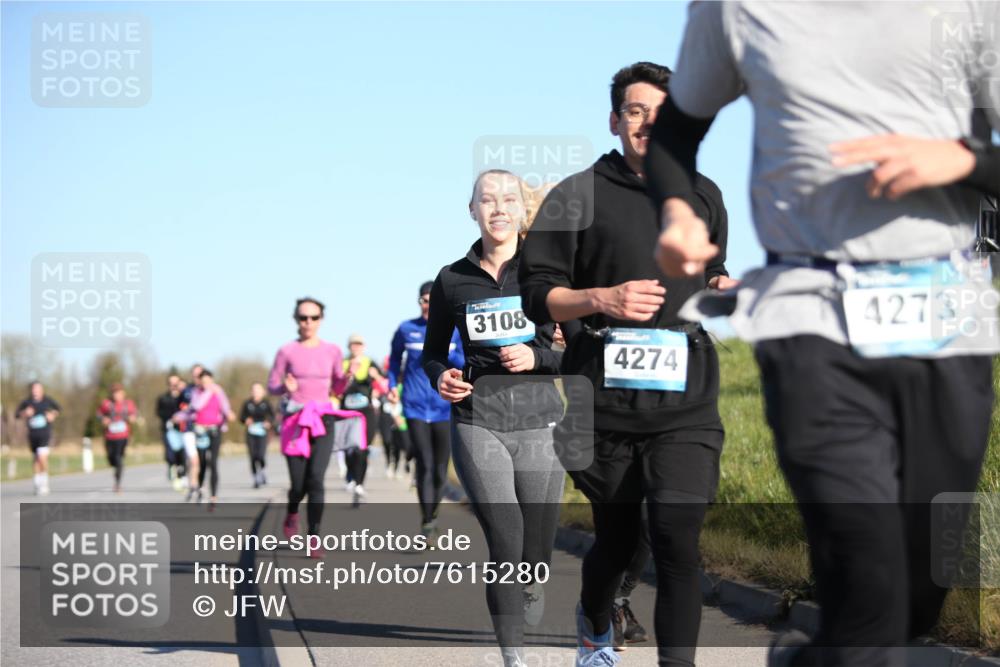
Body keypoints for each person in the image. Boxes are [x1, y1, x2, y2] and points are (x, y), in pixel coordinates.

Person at [643, 4, 1000, 666]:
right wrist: (678, 212)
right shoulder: (738, 10)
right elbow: (674, 132)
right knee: (868, 576)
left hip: (947, 315)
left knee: (920, 589)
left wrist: (962, 158)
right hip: (808, 311)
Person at [518, 62, 734, 667]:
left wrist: (725, 287)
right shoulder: (576, 195)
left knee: (677, 540)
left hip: (686, 398)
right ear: (615, 120)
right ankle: (594, 622)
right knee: (618, 540)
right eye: (635, 112)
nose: (647, 124)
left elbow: (709, 272)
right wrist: (602, 299)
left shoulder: (703, 194)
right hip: (606, 402)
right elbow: (537, 294)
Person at [423, 169, 566, 667]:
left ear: (522, 210)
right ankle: (513, 657)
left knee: (537, 545)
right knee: (506, 538)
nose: (499, 208)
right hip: (476, 419)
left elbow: (579, 353)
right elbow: (432, 355)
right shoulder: (451, 279)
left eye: (508, 199)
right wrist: (441, 378)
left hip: (541, 421)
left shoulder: (548, 272)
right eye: (487, 199)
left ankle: (534, 580)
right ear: (472, 210)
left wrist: (537, 357)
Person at [268, 297, 352, 556]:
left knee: (316, 480)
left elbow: (337, 387)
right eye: (303, 317)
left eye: (313, 317)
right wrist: (285, 387)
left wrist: (346, 378)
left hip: (323, 419)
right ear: (296, 319)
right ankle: (292, 512)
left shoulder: (332, 351)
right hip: (295, 422)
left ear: (321, 320)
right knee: (298, 485)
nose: (308, 322)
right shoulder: (286, 351)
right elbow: (272, 385)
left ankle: (314, 537)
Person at [388, 281, 465, 533]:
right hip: (414, 406)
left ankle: (433, 514)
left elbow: (464, 361)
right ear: (419, 302)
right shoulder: (406, 329)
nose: (428, 306)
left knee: (441, 469)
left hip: (443, 405)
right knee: (425, 463)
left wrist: (447, 355)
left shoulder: (455, 331)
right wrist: (391, 385)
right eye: (424, 301)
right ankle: (427, 520)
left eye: (433, 302)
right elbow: (394, 361)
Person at [339, 333, 384, 505]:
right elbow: (335, 388)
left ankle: (359, 484)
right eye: (353, 344)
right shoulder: (342, 363)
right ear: (349, 347)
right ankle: (351, 474)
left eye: (359, 344)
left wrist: (376, 378)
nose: (356, 347)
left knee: (363, 448)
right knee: (349, 448)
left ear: (364, 347)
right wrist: (348, 375)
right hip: (347, 411)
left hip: (366, 412)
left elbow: (384, 385)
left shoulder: (370, 363)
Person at [189, 369, 235, 510]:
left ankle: (213, 497)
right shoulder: (196, 393)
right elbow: (196, 406)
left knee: (213, 463)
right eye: (203, 381)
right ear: (200, 381)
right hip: (201, 431)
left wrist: (229, 414)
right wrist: (208, 392)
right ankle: (201, 488)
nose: (206, 384)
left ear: (212, 380)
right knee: (202, 463)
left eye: (208, 381)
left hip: (215, 430)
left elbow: (225, 406)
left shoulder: (218, 392)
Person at [15, 381, 61, 496]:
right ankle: (37, 482)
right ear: (31, 390)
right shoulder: (27, 402)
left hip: (44, 433)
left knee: (42, 457)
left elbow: (58, 409)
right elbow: (17, 414)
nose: (35, 391)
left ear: (42, 390)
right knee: (36, 458)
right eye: (33, 389)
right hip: (32, 435)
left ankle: (44, 483)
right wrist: (25, 413)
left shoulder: (47, 400)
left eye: (37, 389)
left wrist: (52, 415)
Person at [97, 383, 138, 493]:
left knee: (119, 458)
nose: (117, 395)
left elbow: (134, 414)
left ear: (123, 393)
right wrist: (103, 419)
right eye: (114, 393)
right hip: (110, 436)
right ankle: (116, 469)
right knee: (111, 459)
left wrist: (133, 418)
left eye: (119, 393)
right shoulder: (106, 404)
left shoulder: (128, 404)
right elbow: (99, 414)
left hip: (123, 436)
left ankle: (118, 483)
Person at [239, 382, 275, 488]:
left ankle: (262, 471)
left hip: (262, 432)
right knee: (253, 456)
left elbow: (272, 416)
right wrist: (246, 420)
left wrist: (268, 422)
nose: (256, 393)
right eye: (254, 390)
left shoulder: (266, 403)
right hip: (251, 432)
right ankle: (256, 478)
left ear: (263, 392)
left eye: (258, 390)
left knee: (260, 455)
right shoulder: (247, 403)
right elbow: (241, 417)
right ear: (251, 392)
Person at [156, 374, 186, 488]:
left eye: (176, 384)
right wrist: (171, 417)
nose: (173, 386)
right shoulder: (163, 398)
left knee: (182, 453)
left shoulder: (185, 397)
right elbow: (159, 412)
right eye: (171, 384)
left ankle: (181, 472)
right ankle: (171, 466)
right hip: (168, 429)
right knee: (170, 453)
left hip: (182, 429)